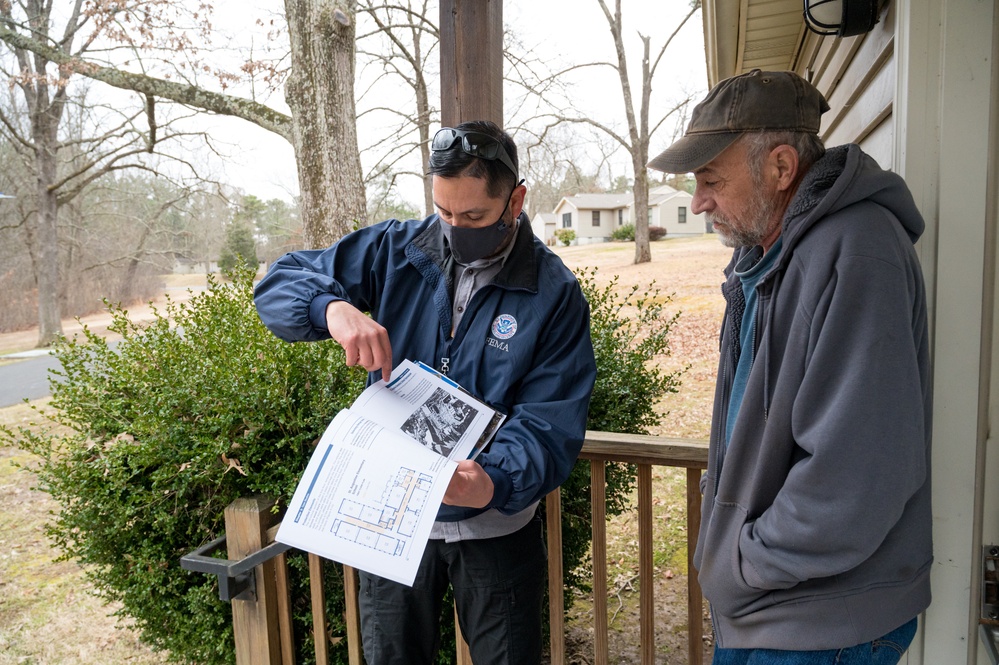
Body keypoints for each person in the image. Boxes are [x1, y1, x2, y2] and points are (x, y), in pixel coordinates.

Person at [254, 120, 596, 665]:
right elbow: (279, 281)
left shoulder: (553, 293)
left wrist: (491, 481)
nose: (456, 229)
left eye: (475, 216)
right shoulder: (396, 250)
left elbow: (551, 422)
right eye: (444, 212)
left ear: (516, 200)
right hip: (387, 520)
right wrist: (331, 308)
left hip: (494, 531)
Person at [647, 69, 932, 663]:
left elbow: (856, 479)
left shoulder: (858, 250)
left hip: (820, 623)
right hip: (774, 608)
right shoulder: (765, 257)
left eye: (710, 181)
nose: (698, 202)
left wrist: (739, 565)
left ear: (780, 168)